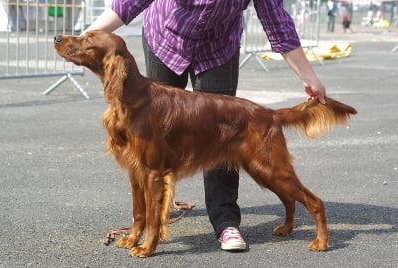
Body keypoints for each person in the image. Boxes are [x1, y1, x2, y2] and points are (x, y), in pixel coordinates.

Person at [85, 0, 326, 252]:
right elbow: (128, 4)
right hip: (166, 40)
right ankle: (142, 224)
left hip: (217, 48)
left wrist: (309, 76)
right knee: (146, 154)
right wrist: (84, 41)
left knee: (225, 138)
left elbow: (276, 21)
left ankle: (226, 222)